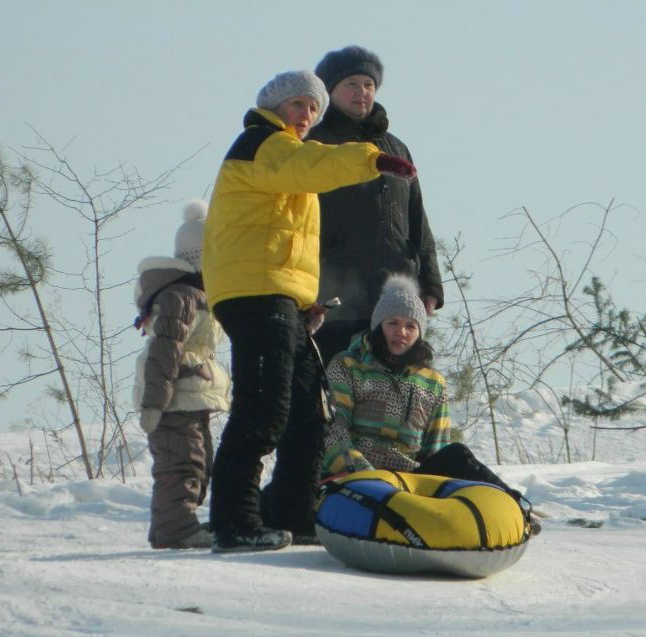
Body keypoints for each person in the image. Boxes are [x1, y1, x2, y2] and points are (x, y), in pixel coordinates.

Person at [202, 69, 418, 554]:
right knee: (264, 407)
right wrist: (373, 158)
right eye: (299, 105)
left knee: (309, 414)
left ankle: (292, 514)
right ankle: (234, 521)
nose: (307, 116)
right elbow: (313, 166)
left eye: (314, 109)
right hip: (254, 293)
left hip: (281, 298)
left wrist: (305, 301)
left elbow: (283, 238)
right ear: (274, 106)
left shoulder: (284, 157)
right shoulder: (260, 143)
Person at [322, 275, 535, 528]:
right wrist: (369, 477)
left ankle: (514, 509)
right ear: (379, 326)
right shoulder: (347, 366)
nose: (401, 332)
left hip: (409, 481)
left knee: (456, 455)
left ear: (419, 332)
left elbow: (435, 449)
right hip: (357, 477)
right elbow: (334, 432)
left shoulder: (433, 382)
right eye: (393, 323)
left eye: (410, 326)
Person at [309, 45, 444, 364]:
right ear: (330, 91)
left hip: (394, 303)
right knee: (336, 400)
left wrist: (430, 286)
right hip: (333, 301)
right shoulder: (313, 145)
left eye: (368, 85)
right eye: (351, 85)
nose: (362, 93)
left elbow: (418, 221)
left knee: (395, 399)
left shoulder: (396, 149)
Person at [133, 200, 231, 550]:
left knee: (199, 460)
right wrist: (154, 404)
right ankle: (175, 529)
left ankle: (173, 525)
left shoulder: (199, 295)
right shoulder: (182, 296)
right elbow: (164, 349)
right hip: (172, 398)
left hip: (189, 395)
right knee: (181, 462)